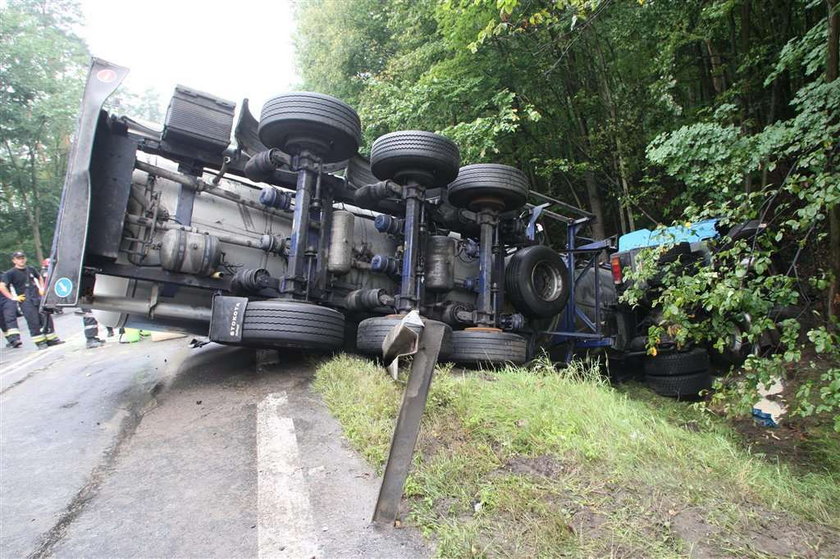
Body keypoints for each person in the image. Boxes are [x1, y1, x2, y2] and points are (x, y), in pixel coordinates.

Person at [0, 251, 64, 349]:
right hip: (25, 300)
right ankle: (40, 342)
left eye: (22, 258)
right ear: (14, 260)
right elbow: (2, 286)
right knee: (33, 321)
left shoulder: (31, 269)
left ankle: (52, 339)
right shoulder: (10, 273)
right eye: (18, 258)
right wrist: (13, 297)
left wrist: (42, 288)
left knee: (46, 317)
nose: (21, 260)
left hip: (36, 297)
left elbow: (39, 277)